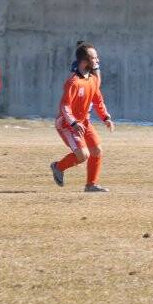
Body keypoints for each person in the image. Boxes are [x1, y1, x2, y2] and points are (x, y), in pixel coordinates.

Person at [50, 43, 115, 193]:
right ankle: (58, 167)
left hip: (83, 121)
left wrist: (106, 117)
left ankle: (91, 185)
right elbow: (64, 106)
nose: (97, 60)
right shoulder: (73, 82)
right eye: (94, 57)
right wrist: (73, 123)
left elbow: (98, 101)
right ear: (85, 61)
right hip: (67, 124)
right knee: (83, 155)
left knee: (97, 150)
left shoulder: (92, 79)